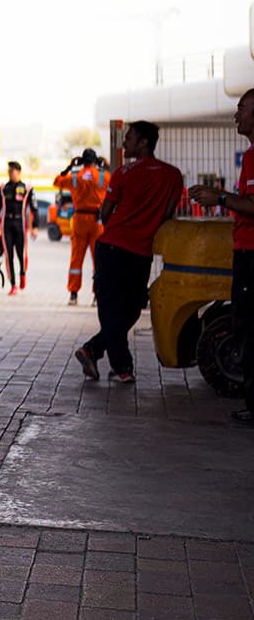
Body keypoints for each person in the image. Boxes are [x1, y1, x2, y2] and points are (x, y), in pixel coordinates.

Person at [74, 120, 183, 385]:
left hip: (112, 248)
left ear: (144, 142)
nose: (125, 141)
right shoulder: (173, 175)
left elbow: (106, 212)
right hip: (141, 252)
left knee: (111, 308)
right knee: (132, 308)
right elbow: (167, 214)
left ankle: (103, 355)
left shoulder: (123, 173)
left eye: (130, 137)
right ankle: (114, 361)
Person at [189, 88, 254, 426]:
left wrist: (221, 198)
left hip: (252, 255)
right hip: (245, 252)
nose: (235, 114)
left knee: (248, 328)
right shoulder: (250, 155)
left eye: (241, 108)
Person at [53, 147, 113, 305]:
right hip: (97, 221)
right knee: (98, 259)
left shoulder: (74, 176)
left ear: (81, 160)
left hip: (79, 219)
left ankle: (73, 294)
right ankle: (97, 295)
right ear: (96, 160)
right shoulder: (103, 176)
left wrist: (70, 167)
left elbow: (56, 181)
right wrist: (105, 166)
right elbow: (114, 182)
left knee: (76, 258)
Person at [0, 161, 38, 296]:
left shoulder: (27, 188)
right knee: (8, 255)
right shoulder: (3, 188)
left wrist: (35, 227)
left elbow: (34, 208)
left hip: (21, 224)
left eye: (12, 171)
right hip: (6, 225)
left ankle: (23, 273)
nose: (10, 174)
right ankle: (13, 285)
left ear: (18, 172)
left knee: (21, 255)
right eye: (8, 171)